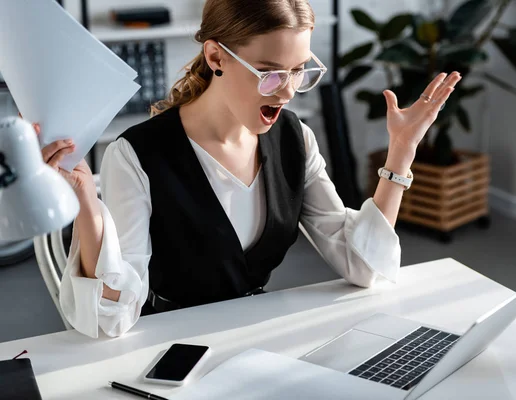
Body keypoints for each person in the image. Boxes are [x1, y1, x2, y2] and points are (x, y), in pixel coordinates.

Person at [39, 0, 461, 338]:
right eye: (269, 73)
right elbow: (110, 319)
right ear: (216, 56)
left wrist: (402, 151)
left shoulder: (297, 140)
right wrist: (88, 207)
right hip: (166, 346)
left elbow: (364, 264)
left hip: (255, 338)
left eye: (299, 71)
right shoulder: (136, 155)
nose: (289, 91)